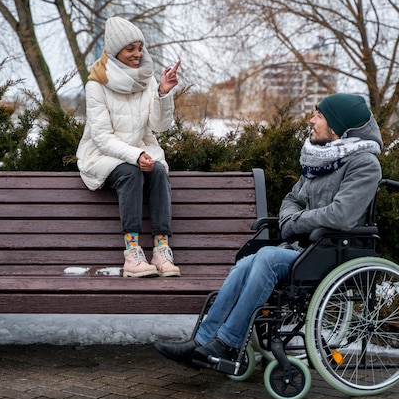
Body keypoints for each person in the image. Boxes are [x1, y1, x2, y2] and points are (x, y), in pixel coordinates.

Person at [155, 93, 383, 367]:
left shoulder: (365, 164)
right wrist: (292, 219)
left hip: (334, 252)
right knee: (246, 262)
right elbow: (292, 199)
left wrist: (296, 222)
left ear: (338, 127)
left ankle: (227, 345)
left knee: (267, 258)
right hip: (307, 249)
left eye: (320, 116)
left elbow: (341, 215)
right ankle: (202, 341)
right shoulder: (323, 159)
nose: (311, 120)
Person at [76, 16, 181, 278]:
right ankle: (132, 253)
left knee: (158, 171)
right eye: (130, 49)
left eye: (139, 47)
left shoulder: (147, 79)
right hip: (103, 155)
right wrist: (136, 156)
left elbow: (159, 126)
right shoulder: (97, 83)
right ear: (115, 52)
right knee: (131, 172)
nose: (137, 54)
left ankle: (161, 249)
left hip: (141, 151)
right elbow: (101, 137)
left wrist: (163, 94)